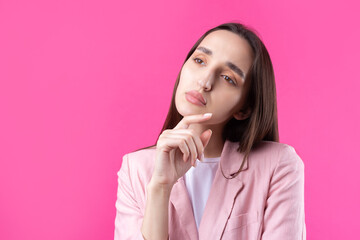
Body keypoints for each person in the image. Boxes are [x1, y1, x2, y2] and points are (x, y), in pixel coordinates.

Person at [114, 22, 306, 240]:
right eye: (199, 61)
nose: (205, 82)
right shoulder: (136, 168)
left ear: (244, 108)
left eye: (228, 78)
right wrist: (161, 187)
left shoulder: (278, 165)